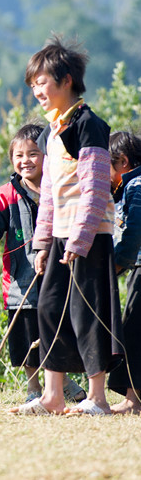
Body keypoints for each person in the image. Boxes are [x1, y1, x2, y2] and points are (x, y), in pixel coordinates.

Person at [10, 35, 123, 415]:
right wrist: (42, 245)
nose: (37, 90)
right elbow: (50, 196)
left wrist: (81, 238)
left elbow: (93, 187)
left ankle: (98, 398)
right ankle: (52, 395)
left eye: (42, 82)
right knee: (49, 307)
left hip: (88, 236)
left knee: (88, 312)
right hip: (61, 236)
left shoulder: (88, 125)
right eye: (33, 85)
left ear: (67, 81)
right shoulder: (50, 131)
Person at [0, 124, 86, 404]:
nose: (25, 160)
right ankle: (33, 389)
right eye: (19, 155)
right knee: (27, 339)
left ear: (49, 156)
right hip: (21, 281)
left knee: (59, 332)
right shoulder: (4, 195)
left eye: (33, 153)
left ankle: (61, 381)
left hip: (61, 274)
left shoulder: (64, 189)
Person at [106, 131, 141, 414]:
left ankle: (133, 400)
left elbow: (133, 233)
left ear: (123, 162)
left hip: (140, 267)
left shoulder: (136, 187)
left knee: (133, 330)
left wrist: (120, 262)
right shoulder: (128, 187)